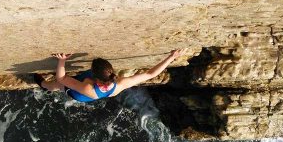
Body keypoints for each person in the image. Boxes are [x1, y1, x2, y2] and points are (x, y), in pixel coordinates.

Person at [34, 49, 186, 102]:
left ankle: (44, 86)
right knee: (67, 81)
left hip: (81, 94)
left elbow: (62, 78)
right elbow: (150, 73)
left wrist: (62, 61)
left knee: (59, 85)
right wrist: (171, 58)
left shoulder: (87, 87)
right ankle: (47, 86)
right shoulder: (119, 83)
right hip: (98, 87)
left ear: (94, 74)